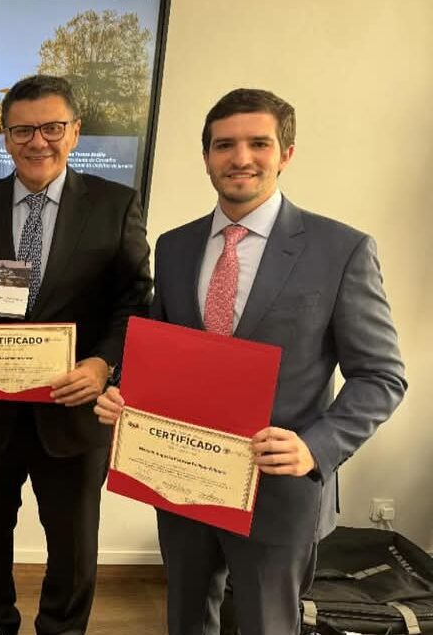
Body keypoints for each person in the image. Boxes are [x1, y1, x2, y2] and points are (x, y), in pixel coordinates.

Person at [95, 88, 407, 634]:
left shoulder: (342, 250)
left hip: (278, 490)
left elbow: (381, 376)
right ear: (207, 157)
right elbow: (160, 353)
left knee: (267, 625)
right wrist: (125, 393)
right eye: (224, 145)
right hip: (181, 478)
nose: (241, 158)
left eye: (258, 143)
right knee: (186, 620)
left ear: (286, 153)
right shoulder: (174, 247)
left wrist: (316, 446)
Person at [0, 75, 152, 635]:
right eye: (23, 130)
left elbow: (136, 302)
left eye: (52, 128)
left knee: (73, 544)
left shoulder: (113, 205)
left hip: (73, 411)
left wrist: (103, 365)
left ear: (74, 132)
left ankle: (61, 629)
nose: (38, 142)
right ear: (6, 139)